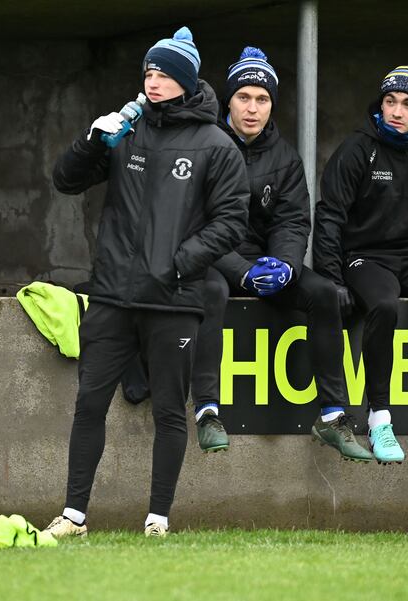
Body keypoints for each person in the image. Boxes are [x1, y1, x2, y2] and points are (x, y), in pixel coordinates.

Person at [45, 27, 249, 538]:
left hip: (175, 299)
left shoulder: (216, 145)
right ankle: (74, 515)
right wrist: (92, 142)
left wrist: (180, 264)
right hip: (112, 294)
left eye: (162, 74)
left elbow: (231, 222)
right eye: (148, 73)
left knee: (168, 412)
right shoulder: (125, 130)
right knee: (89, 403)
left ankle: (158, 519)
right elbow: (65, 181)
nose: (152, 82)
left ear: (184, 81)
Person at [189, 46, 373, 462]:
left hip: (265, 262)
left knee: (323, 293)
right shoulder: (203, 147)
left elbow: (292, 222)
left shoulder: (285, 157)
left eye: (263, 99)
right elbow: (197, 230)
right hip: (212, 260)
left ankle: (332, 416)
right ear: (228, 101)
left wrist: (286, 266)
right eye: (243, 97)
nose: (253, 109)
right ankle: (207, 411)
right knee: (212, 293)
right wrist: (243, 272)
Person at [314, 65, 408, 464]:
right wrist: (332, 281)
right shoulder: (359, 148)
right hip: (366, 256)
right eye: (390, 102)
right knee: (382, 304)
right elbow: (328, 216)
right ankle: (380, 417)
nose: (397, 111)